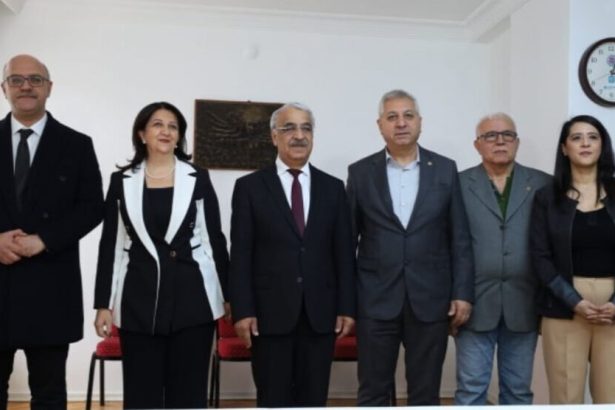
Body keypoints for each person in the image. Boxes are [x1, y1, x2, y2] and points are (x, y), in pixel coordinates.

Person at [93, 102, 229, 409]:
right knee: (142, 396)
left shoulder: (198, 177)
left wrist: (229, 295)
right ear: (142, 134)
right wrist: (103, 303)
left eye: (173, 126)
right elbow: (111, 245)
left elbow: (213, 240)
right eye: (157, 124)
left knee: (189, 396)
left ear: (179, 136)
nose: (166, 131)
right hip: (138, 302)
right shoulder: (121, 181)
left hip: (194, 301)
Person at [347, 89, 474, 406]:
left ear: (420, 122)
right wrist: (346, 302)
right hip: (375, 300)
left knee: (425, 392)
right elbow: (347, 242)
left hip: (430, 299)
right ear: (380, 125)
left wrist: (462, 293)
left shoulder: (445, 169)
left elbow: (459, 238)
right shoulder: (360, 173)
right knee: (373, 391)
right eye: (392, 117)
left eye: (408, 116)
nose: (401, 123)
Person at [229, 102, 356, 407]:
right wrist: (243, 310)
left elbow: (344, 253)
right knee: (273, 398)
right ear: (274, 136)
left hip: (320, 315)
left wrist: (347, 307)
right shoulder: (249, 187)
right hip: (268, 316)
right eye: (289, 128)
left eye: (306, 128)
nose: (299, 135)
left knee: (313, 399)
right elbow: (241, 254)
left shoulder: (333, 188)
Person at [0, 54, 104, 410]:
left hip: (50, 289)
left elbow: (92, 207)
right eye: (16, 80)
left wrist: (44, 240)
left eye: (35, 79)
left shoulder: (77, 145)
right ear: (4, 88)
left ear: (49, 88)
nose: (26, 86)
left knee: (49, 396)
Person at [455, 113, 550, 405]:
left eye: (507, 135)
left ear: (517, 142)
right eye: (490, 136)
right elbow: (447, 244)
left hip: (525, 302)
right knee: (471, 390)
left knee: (518, 391)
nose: (500, 141)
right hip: (473, 302)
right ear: (477, 144)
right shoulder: (457, 184)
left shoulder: (543, 183)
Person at [530, 114, 615, 404]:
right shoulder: (546, 198)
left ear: (602, 145)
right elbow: (540, 257)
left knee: (611, 397)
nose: (585, 144)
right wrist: (574, 301)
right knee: (566, 397)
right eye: (577, 138)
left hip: (612, 307)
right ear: (565, 149)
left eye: (593, 137)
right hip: (564, 304)